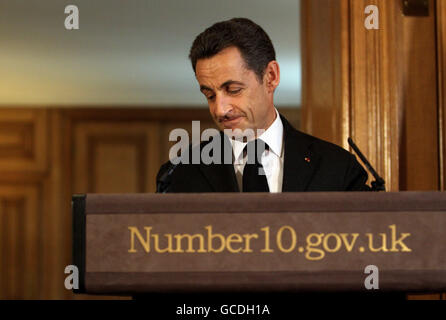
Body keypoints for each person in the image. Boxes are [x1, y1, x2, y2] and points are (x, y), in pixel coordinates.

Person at [156, 17, 370, 193]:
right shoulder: (179, 173)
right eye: (210, 95)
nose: (220, 109)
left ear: (271, 77)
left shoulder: (337, 168)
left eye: (233, 90)